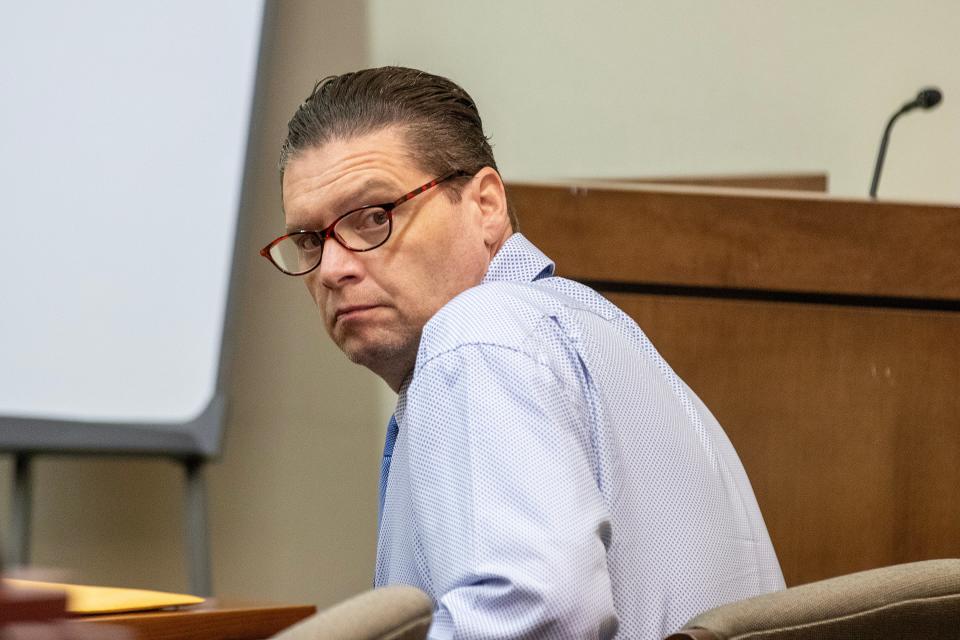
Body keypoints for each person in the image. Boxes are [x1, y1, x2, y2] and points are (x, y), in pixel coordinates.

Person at [261, 66, 784, 639]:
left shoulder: (476, 337)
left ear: (486, 204)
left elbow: (538, 615)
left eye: (373, 217)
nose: (333, 268)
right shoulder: (582, 323)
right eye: (310, 239)